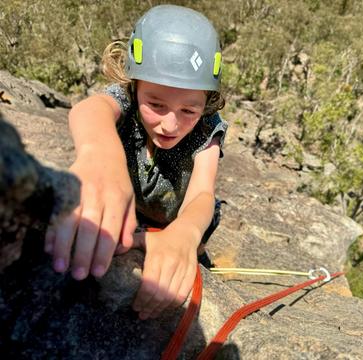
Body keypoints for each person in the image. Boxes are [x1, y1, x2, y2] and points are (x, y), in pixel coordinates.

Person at [44, 4, 227, 320]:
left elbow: (202, 195)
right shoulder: (124, 100)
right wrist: (99, 155)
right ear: (134, 85)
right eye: (156, 104)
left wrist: (184, 236)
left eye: (189, 110)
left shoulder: (207, 128)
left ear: (207, 102)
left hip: (180, 227)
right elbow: (90, 110)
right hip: (135, 215)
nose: (170, 125)